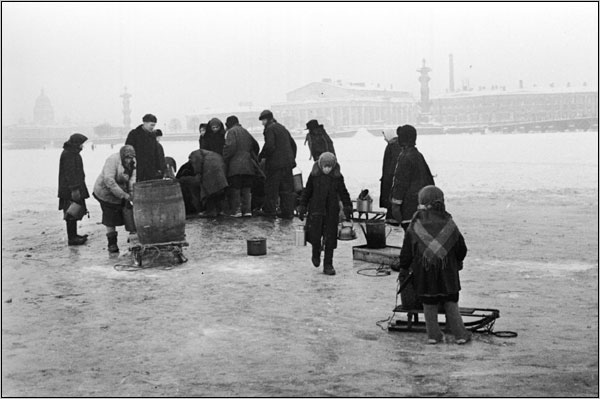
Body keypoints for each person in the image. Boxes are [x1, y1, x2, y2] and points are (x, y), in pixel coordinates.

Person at [398, 185, 471, 345]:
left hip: (424, 275)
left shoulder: (415, 224)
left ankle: (434, 336)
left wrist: (403, 268)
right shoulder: (449, 223)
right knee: (451, 303)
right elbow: (461, 249)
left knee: (429, 304)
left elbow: (407, 252)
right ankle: (460, 335)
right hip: (448, 275)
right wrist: (457, 262)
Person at [298, 152, 352, 276]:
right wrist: (302, 206)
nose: (327, 169)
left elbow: (343, 192)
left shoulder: (337, 177)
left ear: (333, 166)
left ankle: (328, 264)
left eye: (329, 166)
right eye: (325, 166)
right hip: (316, 210)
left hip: (332, 212)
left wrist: (347, 206)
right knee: (315, 236)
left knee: (330, 239)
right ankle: (315, 253)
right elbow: (307, 191)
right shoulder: (314, 175)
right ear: (321, 165)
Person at [390, 125, 435, 230]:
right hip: (423, 207)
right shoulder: (418, 155)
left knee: (411, 239)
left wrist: (395, 205)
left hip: (409, 208)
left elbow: (400, 182)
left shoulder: (405, 157)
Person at [93, 145, 136, 253]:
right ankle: (112, 243)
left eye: (131, 157)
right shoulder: (112, 160)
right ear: (122, 156)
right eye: (126, 158)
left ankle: (133, 239)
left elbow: (132, 179)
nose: (128, 160)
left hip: (120, 190)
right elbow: (109, 180)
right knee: (110, 217)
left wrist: (131, 194)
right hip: (105, 192)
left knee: (128, 213)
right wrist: (123, 195)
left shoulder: (134, 162)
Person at [257, 110, 297, 219]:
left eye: (263, 120)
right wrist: (291, 159)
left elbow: (269, 146)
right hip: (287, 164)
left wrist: (261, 156)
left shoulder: (269, 129)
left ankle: (269, 211)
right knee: (287, 189)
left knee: (271, 188)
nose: (262, 123)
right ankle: (287, 212)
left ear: (267, 119)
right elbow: (293, 144)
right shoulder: (281, 127)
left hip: (275, 164)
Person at [223, 115, 261, 217]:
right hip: (248, 165)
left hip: (236, 165)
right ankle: (247, 211)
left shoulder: (231, 132)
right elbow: (256, 145)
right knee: (247, 189)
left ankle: (237, 211)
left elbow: (230, 147)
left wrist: (225, 157)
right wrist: (251, 155)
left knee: (236, 188)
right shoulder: (245, 131)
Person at [58, 133, 89, 246]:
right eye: (81, 144)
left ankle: (74, 235)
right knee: (71, 213)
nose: (82, 146)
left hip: (72, 188)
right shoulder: (69, 154)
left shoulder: (71, 153)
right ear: (76, 143)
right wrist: (74, 190)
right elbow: (70, 174)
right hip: (70, 190)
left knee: (74, 211)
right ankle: (72, 238)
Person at [178, 149, 229, 218]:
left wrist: (197, 172)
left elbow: (197, 163)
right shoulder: (209, 153)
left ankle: (210, 211)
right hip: (220, 167)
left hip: (209, 169)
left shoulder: (194, 155)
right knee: (218, 190)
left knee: (210, 191)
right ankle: (219, 210)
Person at [125, 114, 164, 181]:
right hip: (138, 169)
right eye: (151, 125)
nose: (153, 127)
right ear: (145, 123)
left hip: (151, 170)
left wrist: (159, 168)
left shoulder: (152, 136)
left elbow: (156, 154)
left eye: (154, 125)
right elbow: (128, 150)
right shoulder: (134, 134)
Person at [380, 132, 403, 225]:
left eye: (385, 136)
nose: (384, 139)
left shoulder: (392, 146)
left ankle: (392, 218)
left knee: (391, 196)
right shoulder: (395, 145)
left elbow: (392, 163)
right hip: (390, 176)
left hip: (390, 177)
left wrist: (389, 175)